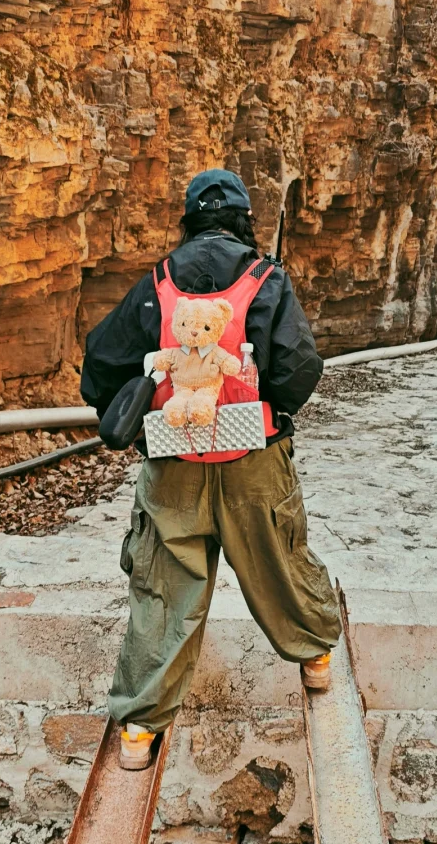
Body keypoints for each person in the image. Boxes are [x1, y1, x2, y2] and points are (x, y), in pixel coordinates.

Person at [80, 169, 342, 769]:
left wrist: (140, 415)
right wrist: (269, 408)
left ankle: (140, 733)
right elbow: (300, 367)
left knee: (165, 588)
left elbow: (102, 361)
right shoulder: (265, 279)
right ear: (244, 219)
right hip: (254, 456)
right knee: (279, 558)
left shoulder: (156, 284)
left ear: (190, 219)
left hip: (174, 456)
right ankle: (316, 661)